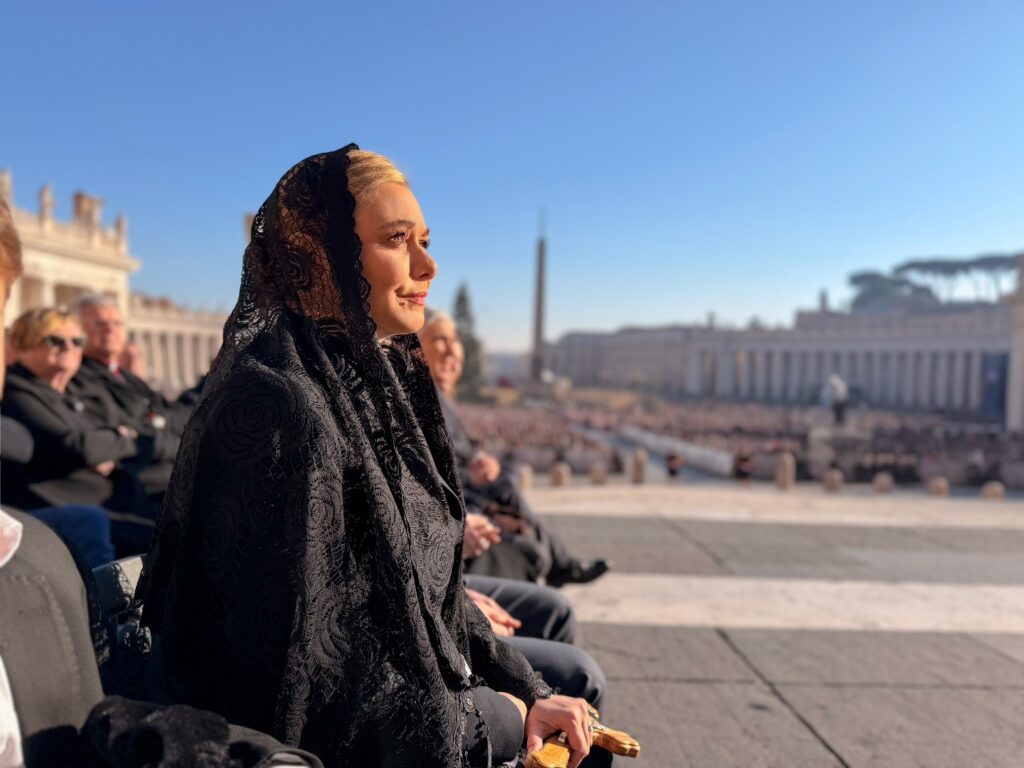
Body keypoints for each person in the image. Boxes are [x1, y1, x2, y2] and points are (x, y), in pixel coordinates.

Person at [139, 146, 599, 768]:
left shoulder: (363, 381)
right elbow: (313, 684)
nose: (428, 265)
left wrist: (526, 688)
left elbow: (420, 593)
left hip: (413, 688)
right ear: (319, 256)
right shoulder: (281, 407)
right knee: (578, 695)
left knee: (569, 695)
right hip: (334, 739)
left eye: (425, 241)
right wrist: (504, 715)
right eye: (396, 240)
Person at [418, 310, 609, 587]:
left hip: (464, 496)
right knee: (512, 500)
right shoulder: (424, 397)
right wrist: (472, 475)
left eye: (455, 340)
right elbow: (426, 466)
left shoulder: (438, 398)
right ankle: (559, 564)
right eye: (440, 339)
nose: (452, 351)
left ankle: (559, 563)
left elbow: (462, 453)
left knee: (507, 480)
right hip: (455, 504)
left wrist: (484, 462)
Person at [2, 308, 156, 556]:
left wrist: (109, 444)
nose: (69, 347)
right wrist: (120, 438)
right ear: (23, 346)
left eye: (77, 341)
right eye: (55, 340)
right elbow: (79, 447)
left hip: (113, 502)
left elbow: (98, 441)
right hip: (68, 510)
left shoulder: (71, 393)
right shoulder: (17, 393)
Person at [70, 293, 188, 496]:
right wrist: (179, 443)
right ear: (77, 330)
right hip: (139, 485)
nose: (110, 329)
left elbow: (170, 414)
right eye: (99, 323)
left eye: (117, 323)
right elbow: (133, 434)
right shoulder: (78, 378)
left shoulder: (126, 376)